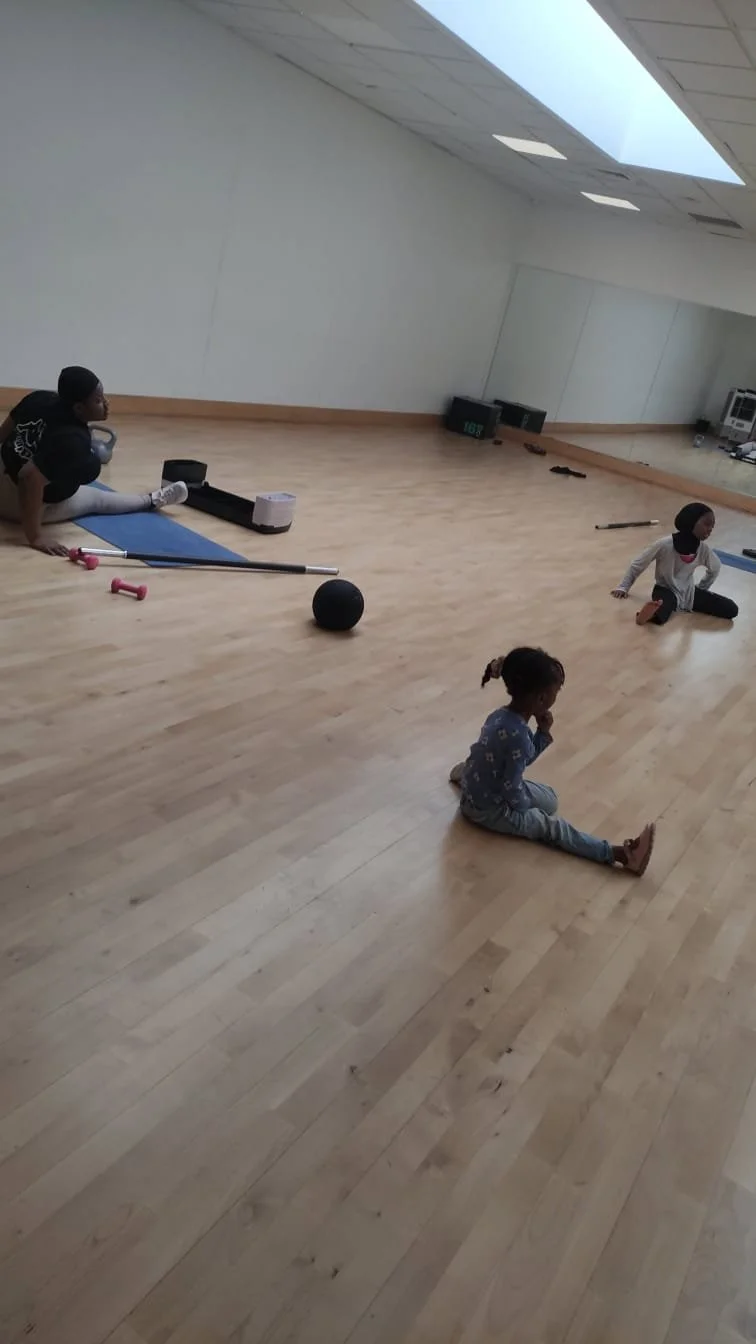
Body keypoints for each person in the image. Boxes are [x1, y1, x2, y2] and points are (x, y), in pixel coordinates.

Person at [448, 647, 655, 874]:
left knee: (551, 800)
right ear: (542, 698)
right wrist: (524, 811)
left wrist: (542, 734)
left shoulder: (500, 716)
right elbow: (512, 787)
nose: (557, 694)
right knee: (551, 826)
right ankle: (621, 855)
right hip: (488, 809)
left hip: (480, 785)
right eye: (556, 690)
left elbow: (519, 759)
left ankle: (463, 774)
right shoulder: (518, 736)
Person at [0, 366, 188, 556]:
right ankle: (151, 500)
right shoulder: (73, 440)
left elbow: (2, 435)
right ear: (79, 408)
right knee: (98, 499)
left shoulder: (38, 398)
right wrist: (35, 537)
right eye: (98, 400)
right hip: (17, 503)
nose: (106, 404)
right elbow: (28, 477)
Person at [611, 501, 738, 626]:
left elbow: (715, 568)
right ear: (691, 522)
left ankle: (657, 610)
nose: (710, 529)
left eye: (712, 526)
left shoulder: (703, 549)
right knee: (664, 606)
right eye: (707, 524)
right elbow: (639, 563)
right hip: (665, 590)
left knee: (731, 609)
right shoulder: (664, 544)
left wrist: (701, 589)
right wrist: (624, 586)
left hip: (689, 593)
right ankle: (646, 616)